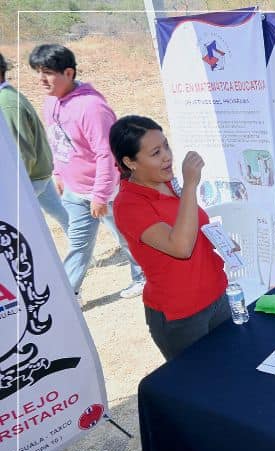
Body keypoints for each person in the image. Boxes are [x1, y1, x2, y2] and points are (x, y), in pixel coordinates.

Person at [29, 44, 145, 303]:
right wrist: (59, 173)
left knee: (127, 237)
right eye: (38, 72)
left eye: (47, 72)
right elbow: (57, 142)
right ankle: (68, 297)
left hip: (107, 192)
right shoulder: (51, 102)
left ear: (68, 73)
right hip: (76, 190)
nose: (41, 79)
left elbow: (107, 154)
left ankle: (143, 277)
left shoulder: (92, 108)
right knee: (78, 245)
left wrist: (100, 195)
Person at [110, 115, 228, 362]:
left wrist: (220, 242)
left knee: (233, 370)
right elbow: (181, 247)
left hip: (217, 295)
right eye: (156, 153)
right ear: (130, 162)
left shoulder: (169, 184)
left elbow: (194, 228)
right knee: (200, 381)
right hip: (181, 315)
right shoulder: (129, 204)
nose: (167, 156)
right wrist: (191, 185)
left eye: (166, 146)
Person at [0, 52, 69, 233]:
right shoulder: (8, 95)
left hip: (30, 177)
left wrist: (16, 186)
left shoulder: (5, 103)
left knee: (20, 225)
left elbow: (21, 150)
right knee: (60, 213)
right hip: (39, 170)